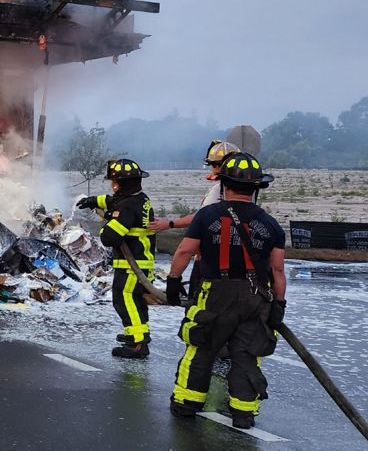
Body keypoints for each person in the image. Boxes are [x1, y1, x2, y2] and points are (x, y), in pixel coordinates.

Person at [165, 152, 286, 429]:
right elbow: (278, 271)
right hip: (257, 297)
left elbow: (185, 251)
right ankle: (243, 413)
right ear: (256, 188)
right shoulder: (270, 224)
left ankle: (186, 404)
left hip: (214, 294)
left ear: (223, 184)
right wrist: (279, 305)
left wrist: (173, 282)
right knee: (247, 353)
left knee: (201, 346)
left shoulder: (207, 215)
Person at [76, 158, 156, 359]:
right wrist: (93, 201)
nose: (113, 186)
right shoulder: (140, 200)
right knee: (136, 302)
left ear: (123, 184)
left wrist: (109, 219)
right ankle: (137, 333)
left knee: (124, 300)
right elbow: (111, 200)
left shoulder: (127, 207)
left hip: (132, 266)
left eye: (115, 183)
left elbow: (110, 237)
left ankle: (136, 345)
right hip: (142, 264)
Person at [149, 139, 241, 233]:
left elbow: (200, 217)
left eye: (212, 165)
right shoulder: (247, 189)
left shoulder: (219, 190)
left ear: (217, 166)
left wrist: (170, 223)